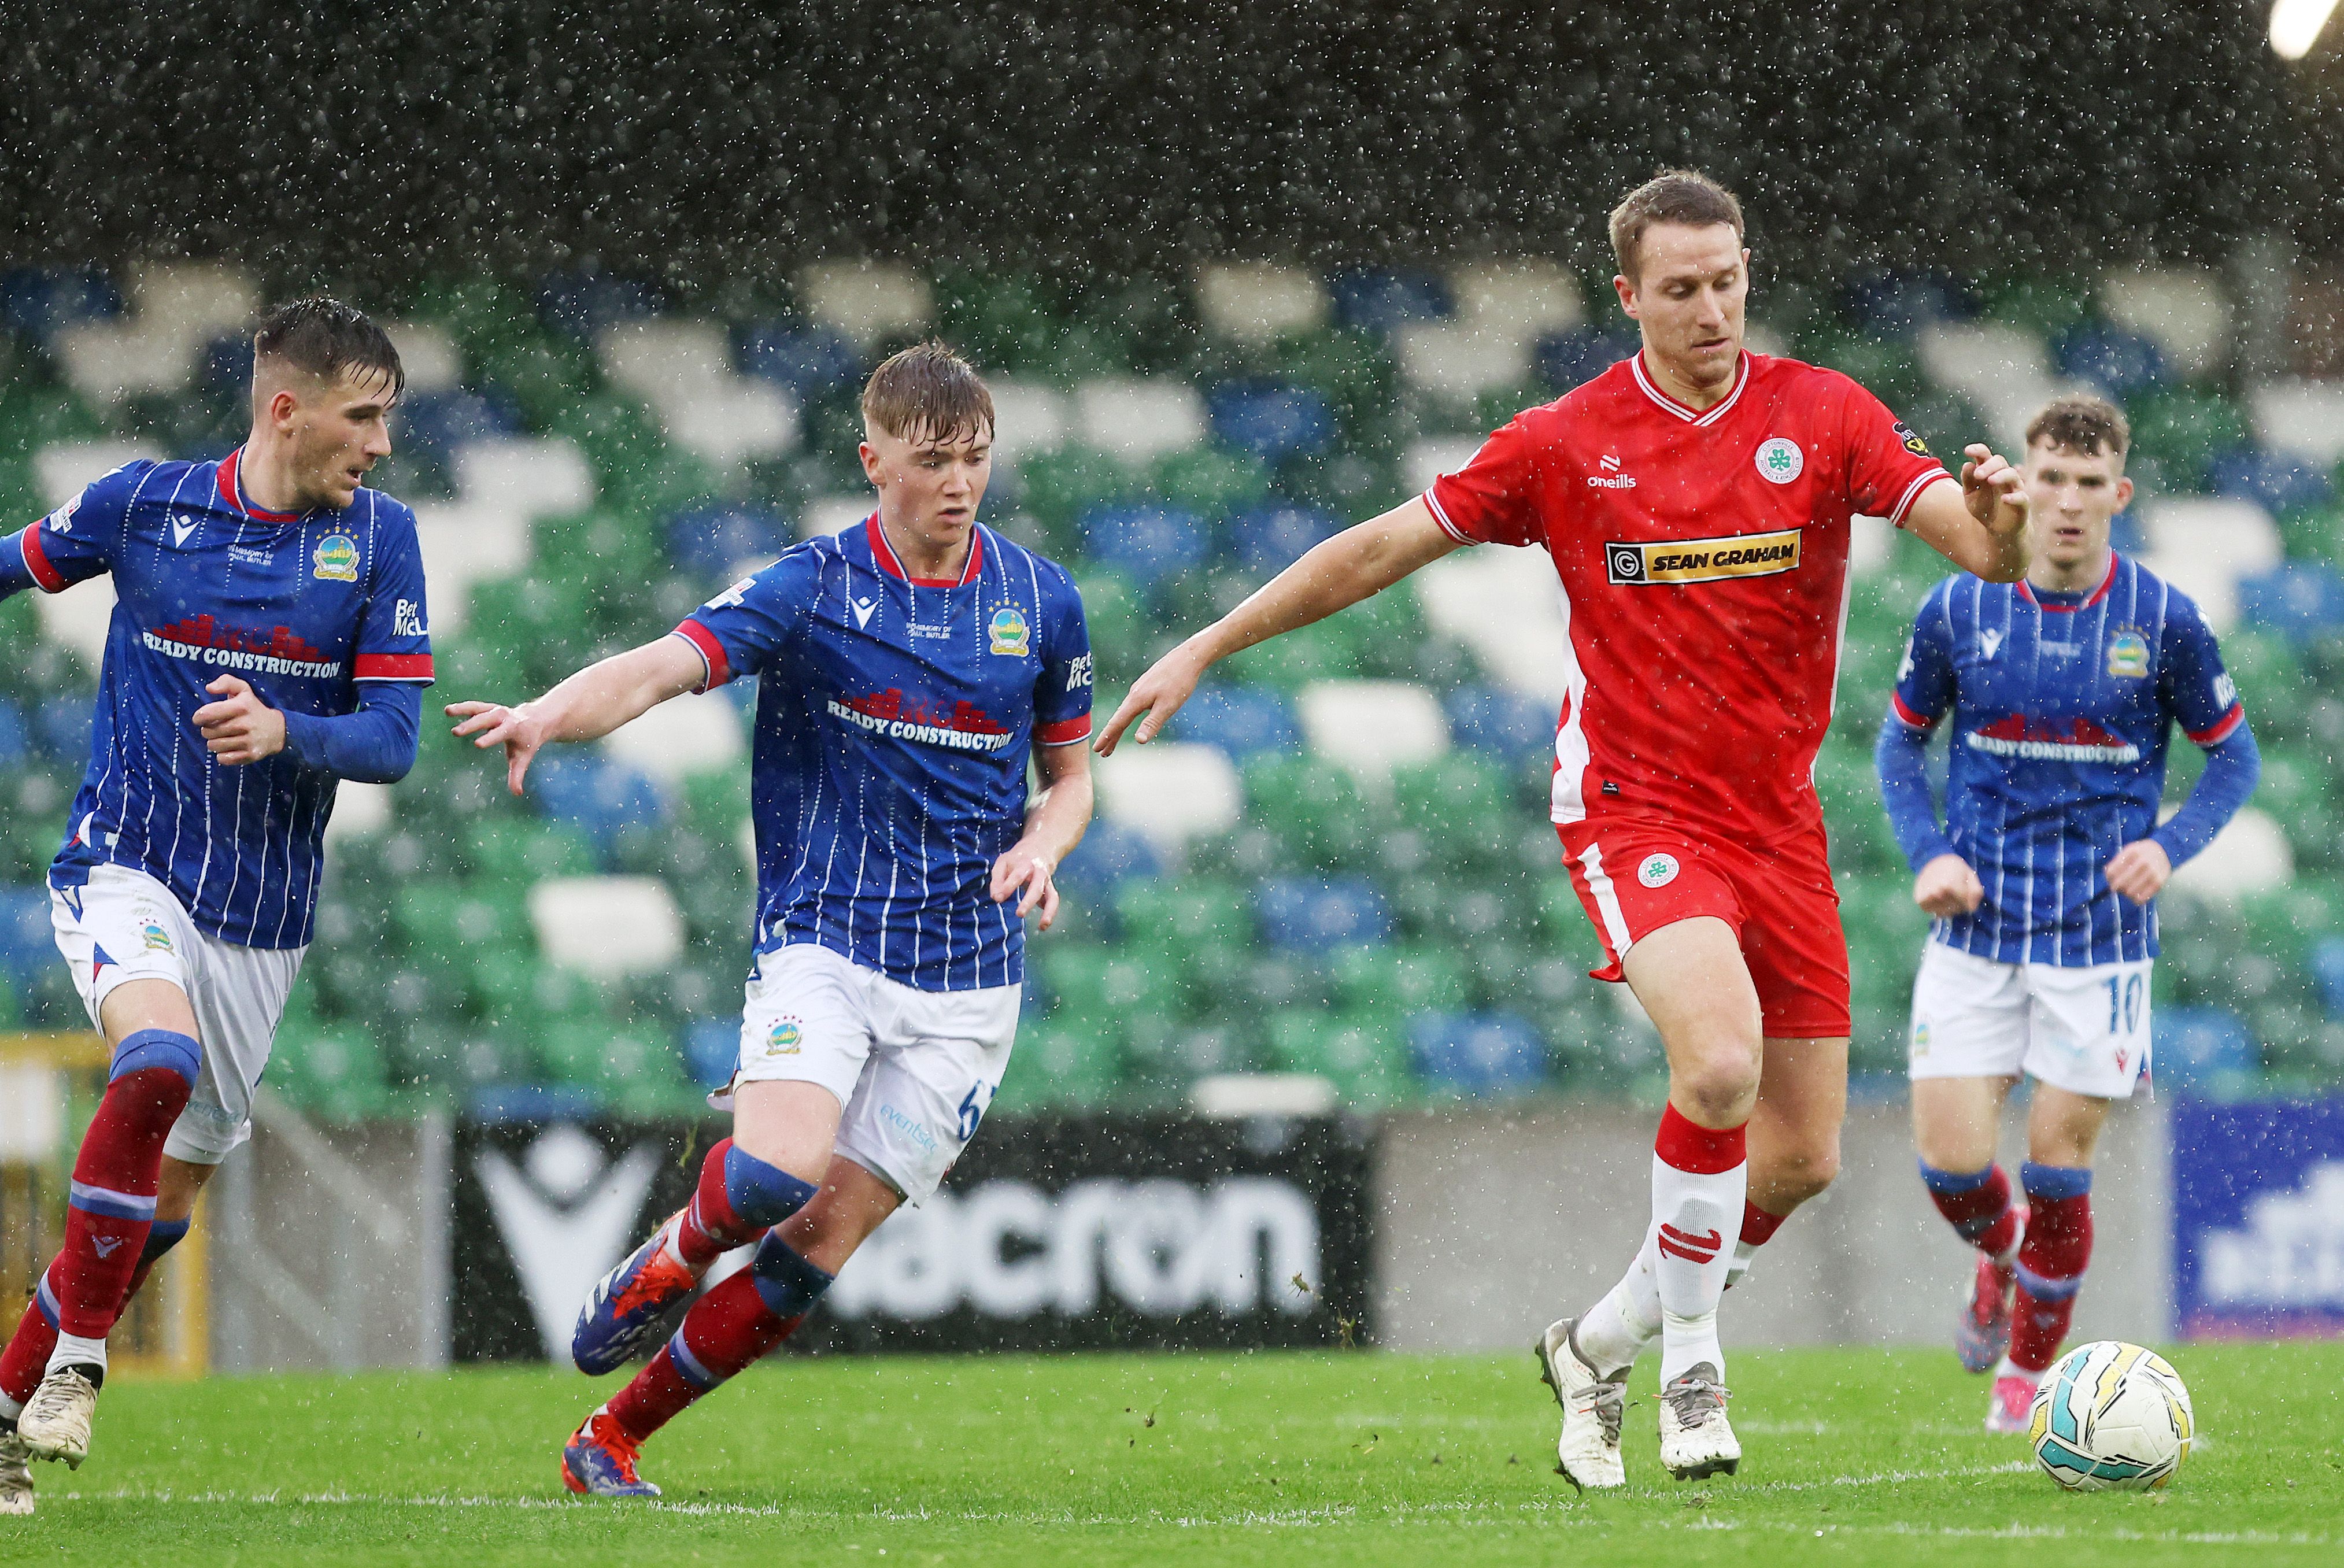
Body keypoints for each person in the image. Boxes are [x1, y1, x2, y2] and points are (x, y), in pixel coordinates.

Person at [1099, 170, 2033, 1486]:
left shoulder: (1821, 416)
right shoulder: (1564, 442)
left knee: (1804, 1154)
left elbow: (1979, 549)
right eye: (1679, 289)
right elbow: (1377, 549)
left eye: (1726, 281)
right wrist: (1209, 642)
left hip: (1774, 818)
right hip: (1632, 806)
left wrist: (1994, 518)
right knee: (1714, 1066)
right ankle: (1693, 1371)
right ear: (1627, 297)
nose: (1709, 309)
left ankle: (1594, 1344)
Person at [448, 342, 1095, 1499]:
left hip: (966, 977)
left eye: (977, 460)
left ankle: (612, 1437)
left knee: (813, 1256)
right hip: (826, 940)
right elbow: (663, 665)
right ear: (873, 460)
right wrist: (551, 711)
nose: (958, 482)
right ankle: (679, 1250)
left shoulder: (1041, 602)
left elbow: (1073, 775)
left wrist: (1043, 845)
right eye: (933, 460)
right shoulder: (811, 588)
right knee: (772, 1176)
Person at [0, 299, 428, 1508]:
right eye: (365, 417)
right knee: (155, 1060)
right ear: (286, 409)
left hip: (263, 916)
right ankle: (82, 1361)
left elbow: (394, 742)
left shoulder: (382, 541)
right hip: (127, 863)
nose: (381, 445)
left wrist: (288, 729)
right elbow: (9, 565)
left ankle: (2, 1405)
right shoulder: (143, 505)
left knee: (163, 1208)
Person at [1878, 394, 2258, 1432]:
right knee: (1951, 1167)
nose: (2068, 502)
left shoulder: (2162, 620)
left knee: (2055, 1170)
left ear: (2118, 495)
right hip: (1975, 928)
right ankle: (1998, 1269)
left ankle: (2029, 1381)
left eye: (2091, 485)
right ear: (2022, 485)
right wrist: (1927, 855)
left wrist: (2168, 845)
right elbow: (1896, 745)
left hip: (2096, 939)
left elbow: (2234, 754)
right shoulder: (1960, 608)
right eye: (2050, 479)